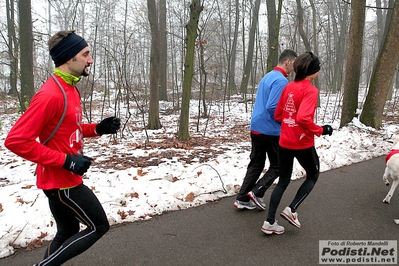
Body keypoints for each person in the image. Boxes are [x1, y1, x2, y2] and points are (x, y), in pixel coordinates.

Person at [4, 30, 121, 265]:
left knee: (67, 232)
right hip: (62, 182)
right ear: (69, 58)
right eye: (85, 54)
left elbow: (68, 128)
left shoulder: (69, 88)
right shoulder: (50, 95)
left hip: (61, 180)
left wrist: (97, 128)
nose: (91, 59)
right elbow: (15, 140)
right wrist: (66, 161)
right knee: (98, 226)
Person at [261, 52, 333, 234]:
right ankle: (291, 210)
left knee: (283, 181)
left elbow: (278, 114)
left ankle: (269, 222)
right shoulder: (310, 90)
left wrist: (287, 124)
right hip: (302, 143)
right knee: (313, 175)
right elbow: (303, 118)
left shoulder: (288, 87)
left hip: (284, 141)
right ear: (313, 72)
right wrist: (321, 130)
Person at [234, 49, 298, 210]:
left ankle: (242, 198)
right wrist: (285, 121)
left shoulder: (267, 77)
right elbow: (272, 107)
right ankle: (257, 192)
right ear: (288, 62)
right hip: (270, 130)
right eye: (294, 64)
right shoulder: (281, 81)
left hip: (256, 126)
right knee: (279, 165)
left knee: (256, 163)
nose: (294, 69)